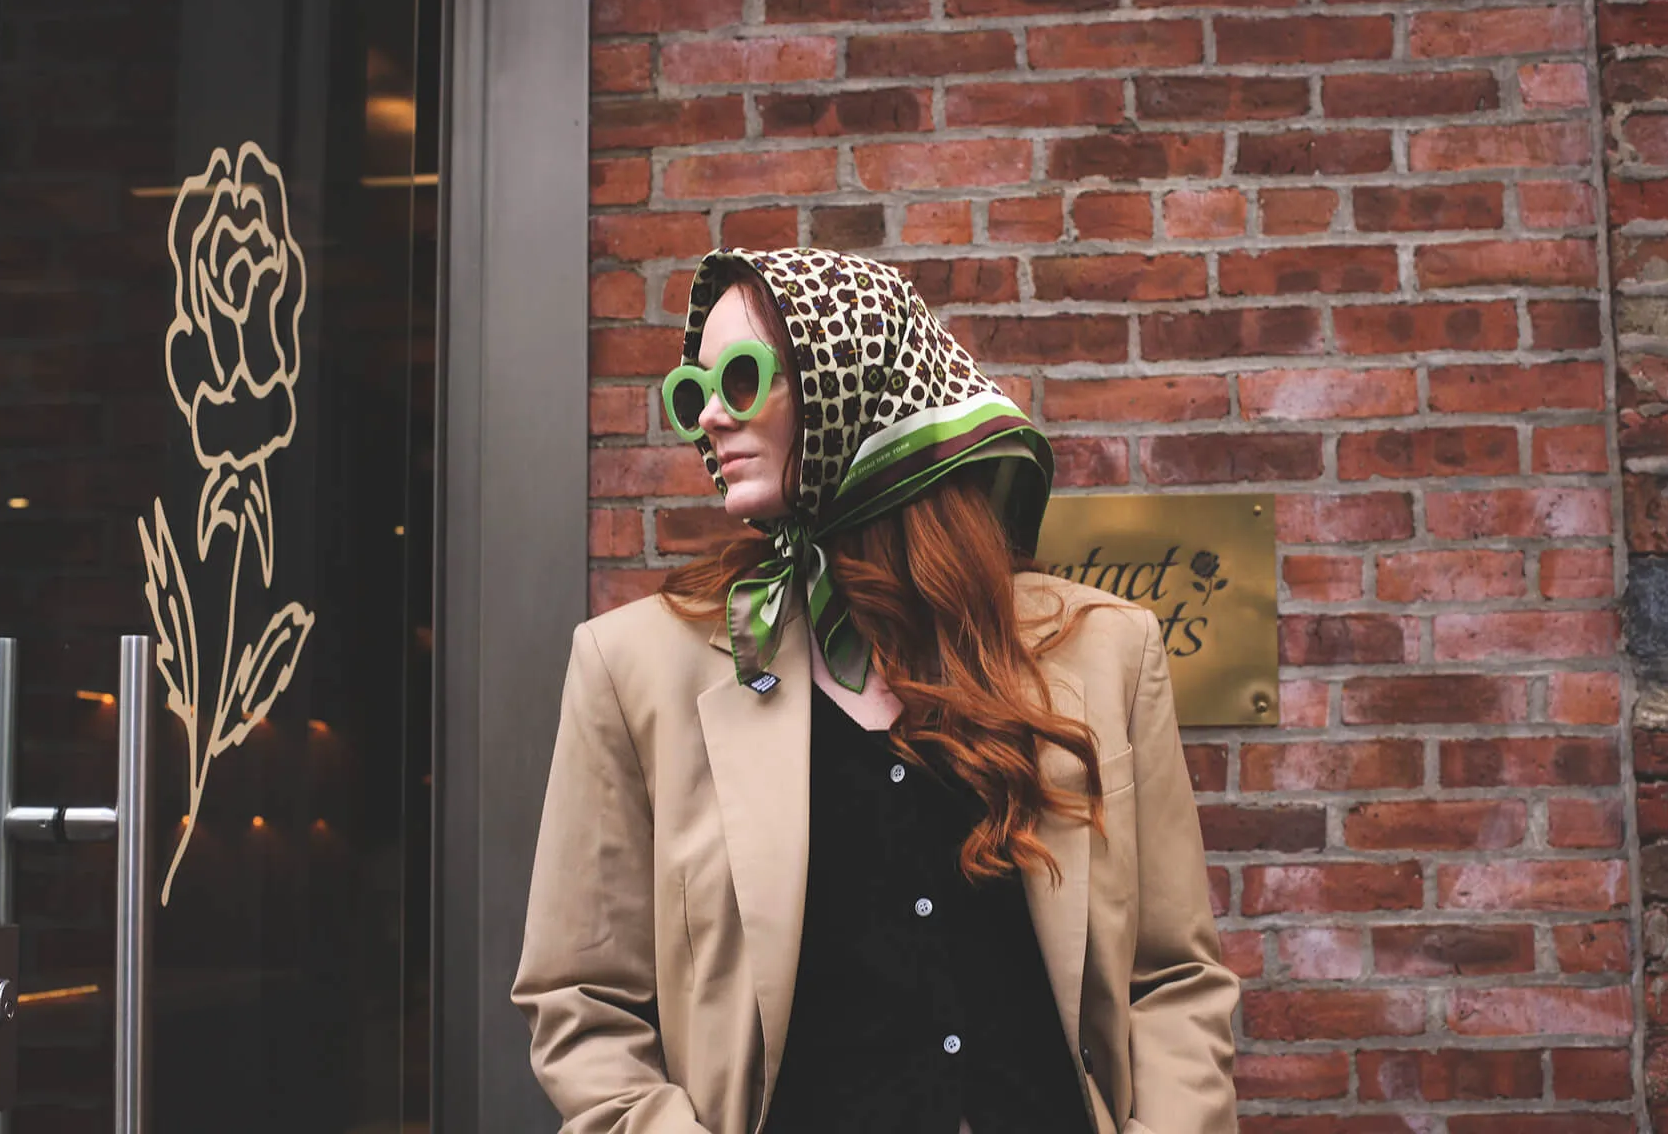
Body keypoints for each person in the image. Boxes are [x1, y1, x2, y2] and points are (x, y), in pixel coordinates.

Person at [513, 247, 1238, 1134]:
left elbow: (1173, 980)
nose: (706, 416)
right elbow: (582, 999)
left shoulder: (1105, 654)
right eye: (691, 388)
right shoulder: (635, 671)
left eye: (741, 379)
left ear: (849, 378)